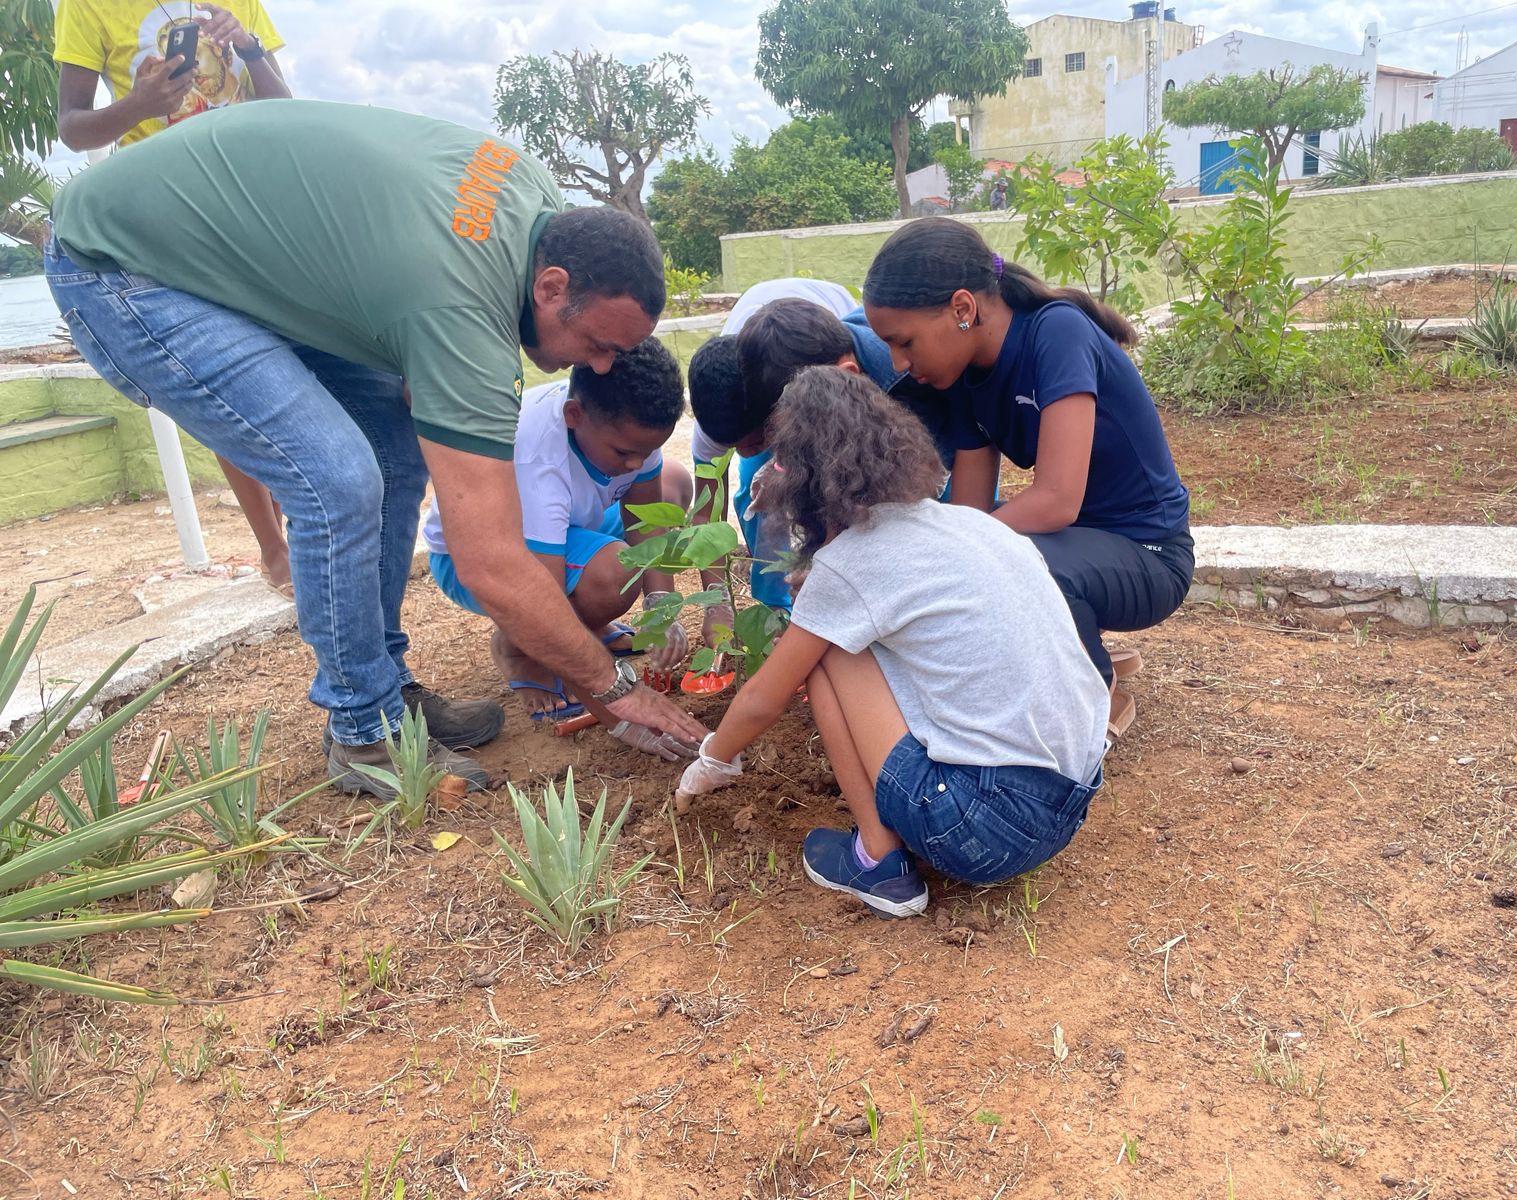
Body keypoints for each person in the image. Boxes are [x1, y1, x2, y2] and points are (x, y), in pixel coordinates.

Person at [45, 100, 707, 796]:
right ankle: (364, 731)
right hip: (127, 264)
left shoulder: (539, 211)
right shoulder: (459, 305)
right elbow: (489, 560)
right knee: (336, 480)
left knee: (393, 448)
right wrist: (616, 685)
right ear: (551, 286)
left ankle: (384, 687)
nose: (600, 369)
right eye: (598, 345)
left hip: (234, 252)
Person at [674, 368, 1108, 918]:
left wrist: (711, 761)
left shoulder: (853, 564)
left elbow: (764, 697)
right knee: (850, 630)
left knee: (826, 647)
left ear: (801, 479)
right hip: (1071, 799)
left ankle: (877, 859)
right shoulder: (975, 526)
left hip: (982, 830)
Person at [860, 217, 1193, 741]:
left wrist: (943, 552)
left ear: (963, 309)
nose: (900, 362)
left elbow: (1057, 500)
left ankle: (1090, 697)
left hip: (1149, 553)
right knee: (973, 555)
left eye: (904, 342)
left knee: (1009, 557)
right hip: (1084, 548)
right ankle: (1068, 653)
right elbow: (969, 516)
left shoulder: (1056, 333)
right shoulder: (965, 378)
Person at [55, 0, 297, 595]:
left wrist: (248, 46)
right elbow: (72, 126)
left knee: (295, 364)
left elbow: (285, 109)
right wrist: (139, 106)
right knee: (227, 379)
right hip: (172, 215)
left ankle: (307, 522)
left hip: (260, 200)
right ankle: (273, 546)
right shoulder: (86, 5)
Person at [422, 337, 695, 750]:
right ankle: (518, 651)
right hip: (475, 561)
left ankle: (588, 626)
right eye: (624, 452)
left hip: (563, 529)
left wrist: (661, 610)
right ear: (574, 415)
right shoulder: (538, 463)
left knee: (672, 483)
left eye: (647, 449)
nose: (636, 464)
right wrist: (619, 717)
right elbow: (539, 597)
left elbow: (646, 522)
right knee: (615, 574)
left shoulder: (621, 427)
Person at [685, 289, 958, 620]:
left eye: (761, 443)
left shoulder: (906, 376)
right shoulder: (726, 406)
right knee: (766, 490)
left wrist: (845, 571)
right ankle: (775, 604)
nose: (750, 452)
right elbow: (706, 513)